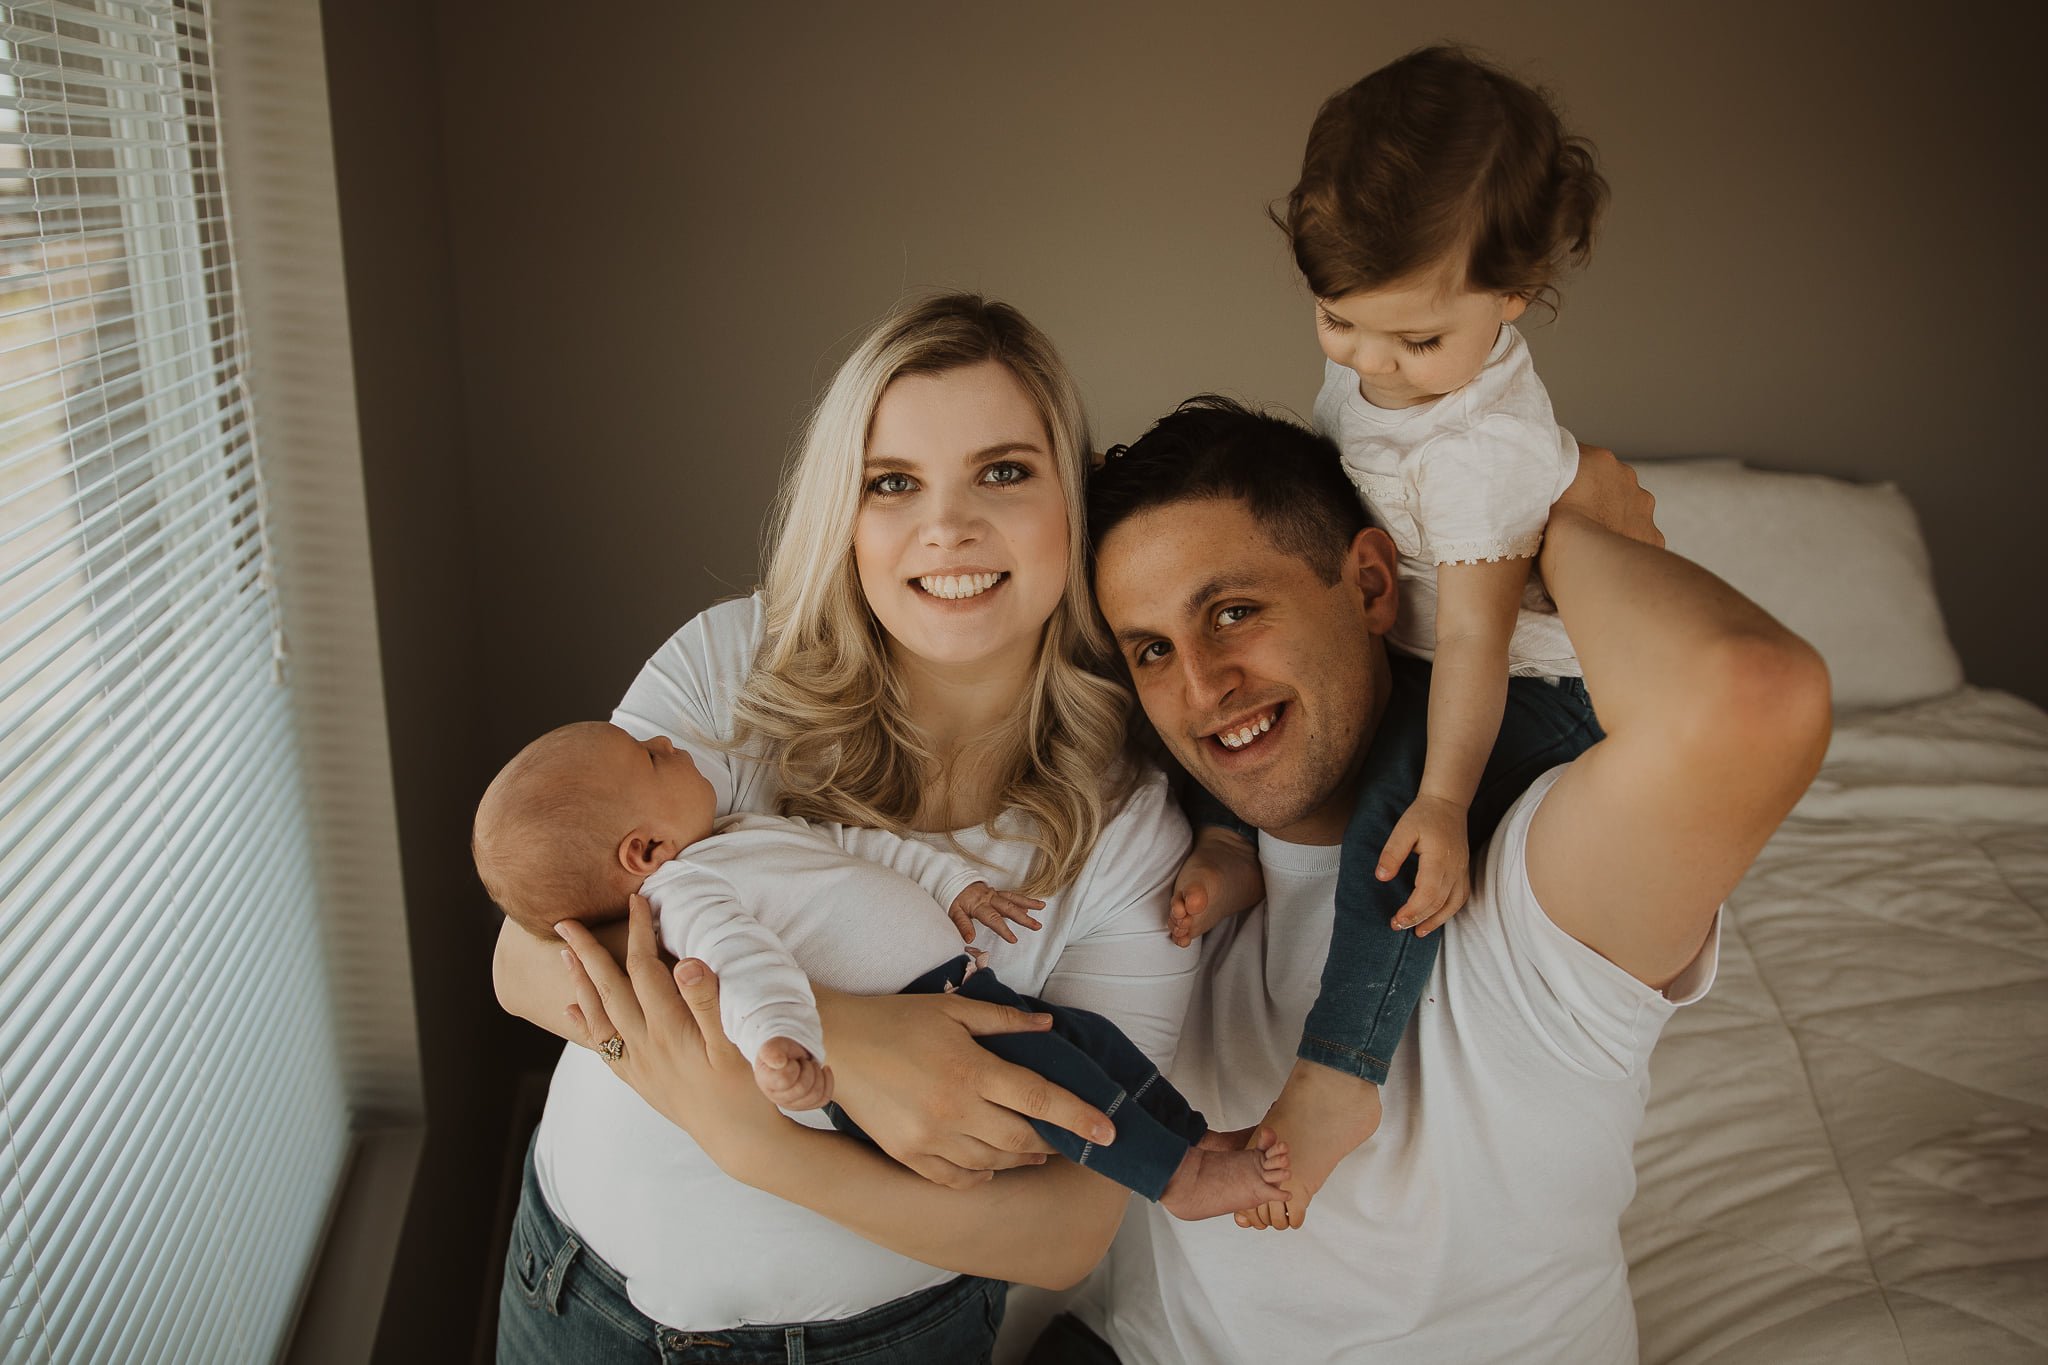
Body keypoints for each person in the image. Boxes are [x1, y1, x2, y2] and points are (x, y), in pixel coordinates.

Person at [1030, 397, 1826, 1362]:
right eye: (1153, 648)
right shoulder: (1148, 847)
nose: (1202, 688)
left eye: (1233, 612)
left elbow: (1754, 696)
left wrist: (1542, 522)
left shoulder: (1518, 876)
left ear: (1371, 585)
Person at [490, 294, 1201, 1363]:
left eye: (1002, 472)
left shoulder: (1129, 830)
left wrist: (757, 1144)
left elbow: (1066, 1229)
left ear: (1073, 501)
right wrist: (848, 1043)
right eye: (891, 484)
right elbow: (522, 957)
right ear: (845, 514)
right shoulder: (731, 667)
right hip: (572, 1299)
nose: (947, 528)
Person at [1167, 43, 1617, 1231]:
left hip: (1510, 687)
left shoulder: (1480, 451)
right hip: (1405, 652)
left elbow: (1471, 646)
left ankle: (1338, 1076)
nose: (1373, 363)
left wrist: (1445, 801)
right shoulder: (1387, 366)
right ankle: (1222, 842)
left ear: (1511, 294)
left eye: (1414, 342)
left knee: (1385, 820)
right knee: (1207, 701)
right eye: (1338, 323)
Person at [474, 719, 1286, 1217]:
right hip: (917, 1021)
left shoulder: (736, 832)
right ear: (644, 849)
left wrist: (950, 883)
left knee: (1094, 1043)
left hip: (954, 991)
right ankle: (1180, 1184)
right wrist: (784, 1043)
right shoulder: (688, 894)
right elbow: (742, 970)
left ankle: (1192, 1137)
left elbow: (855, 851)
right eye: (655, 758)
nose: (671, 743)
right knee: (1065, 1093)